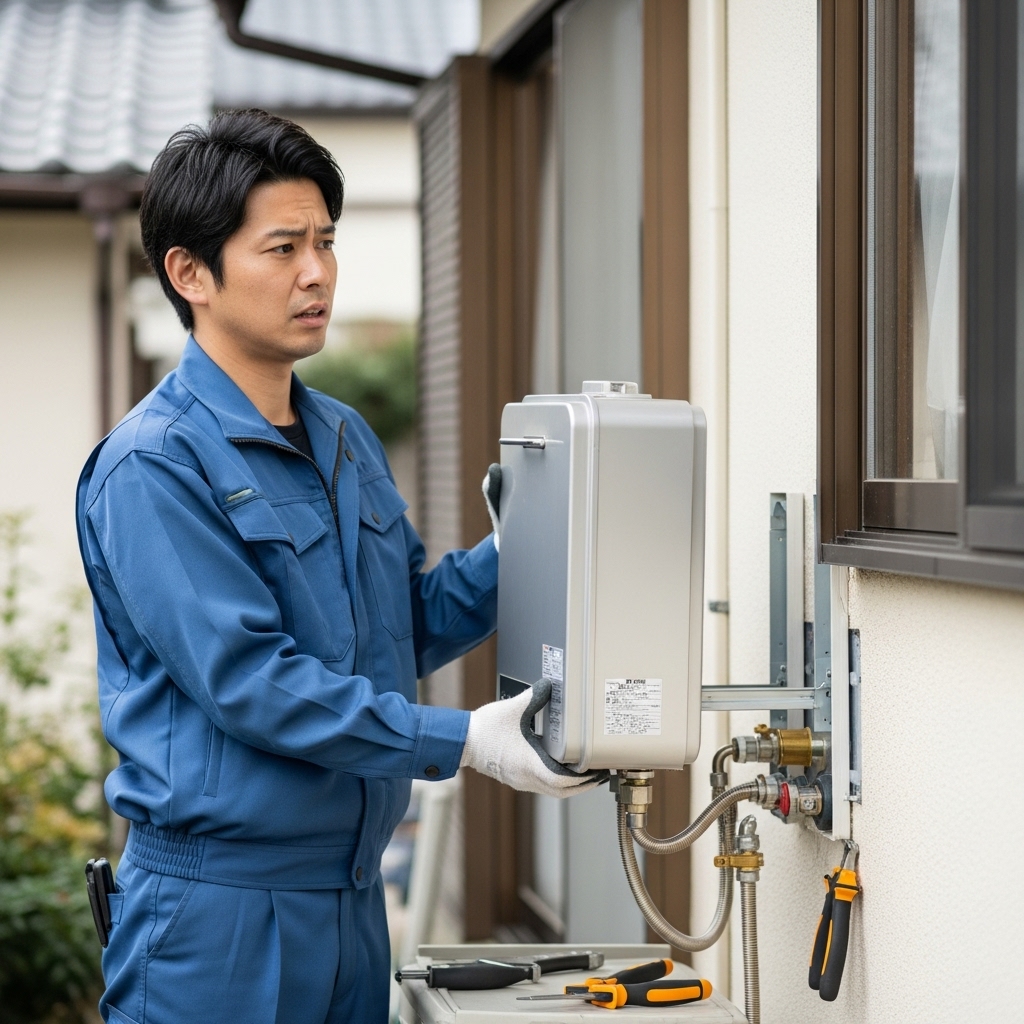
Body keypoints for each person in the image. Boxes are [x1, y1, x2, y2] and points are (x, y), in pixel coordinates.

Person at [75, 109, 598, 1024]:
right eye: (282, 247)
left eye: (325, 241)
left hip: (353, 908)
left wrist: (524, 549)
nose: (317, 271)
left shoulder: (343, 436)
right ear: (190, 273)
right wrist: (466, 741)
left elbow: (406, 624)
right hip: (219, 922)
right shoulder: (153, 466)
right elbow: (254, 685)